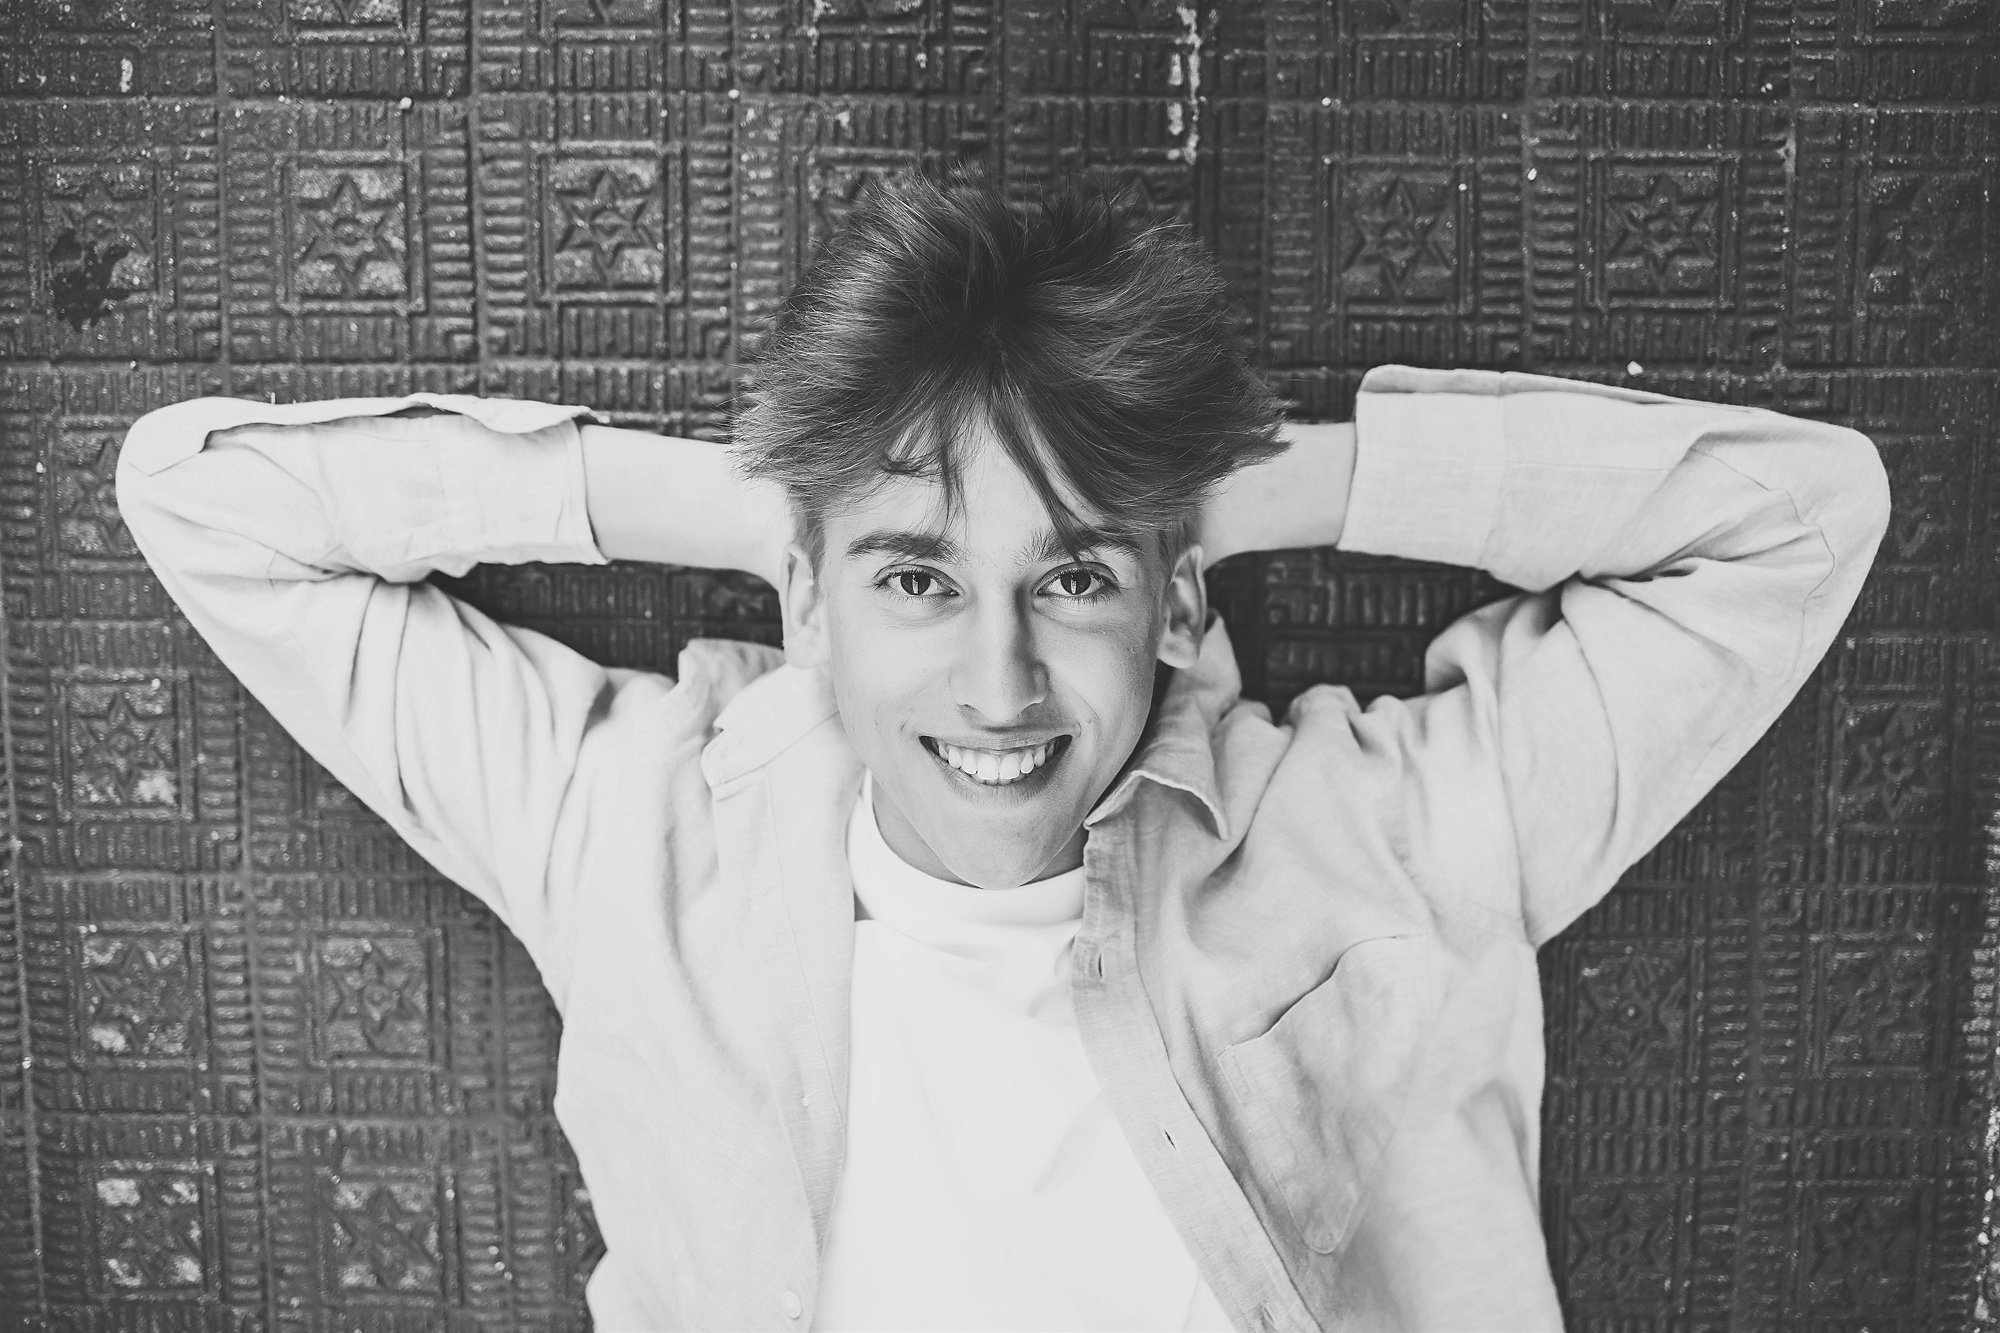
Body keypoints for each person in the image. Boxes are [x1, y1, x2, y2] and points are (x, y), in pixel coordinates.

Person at [115, 169, 1891, 1332]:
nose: (998, 678)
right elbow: (201, 504)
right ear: (811, 598)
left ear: (1174, 604)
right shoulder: (633, 827)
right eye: (916, 576)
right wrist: (760, 506)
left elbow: (1800, 520)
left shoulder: (1387, 838)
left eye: (1072, 575)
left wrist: (1238, 489)